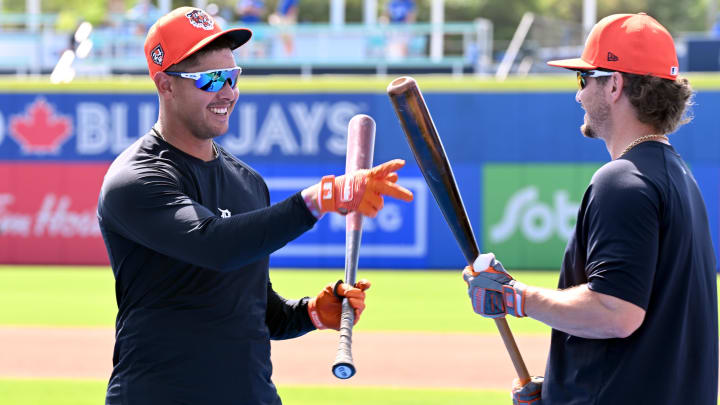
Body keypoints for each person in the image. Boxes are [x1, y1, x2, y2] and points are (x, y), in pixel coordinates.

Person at [97, 7, 413, 405]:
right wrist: (315, 201)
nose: (227, 93)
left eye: (233, 77)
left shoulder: (247, 182)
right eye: (211, 80)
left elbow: (257, 309)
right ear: (165, 85)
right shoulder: (136, 178)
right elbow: (215, 247)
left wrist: (312, 312)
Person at [461, 12, 717, 405]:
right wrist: (562, 391)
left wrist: (515, 297)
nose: (578, 94)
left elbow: (616, 313)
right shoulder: (678, 177)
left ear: (614, 84)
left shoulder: (622, 180)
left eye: (584, 78)